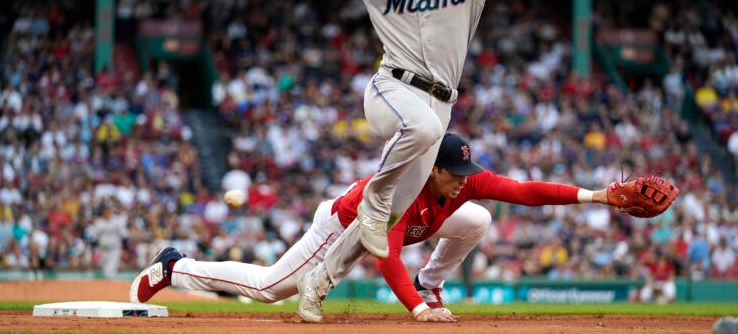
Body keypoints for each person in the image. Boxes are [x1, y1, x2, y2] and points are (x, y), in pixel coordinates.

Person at [285, 0, 539, 322]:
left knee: (385, 225)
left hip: (441, 103)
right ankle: (375, 198)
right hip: (391, 88)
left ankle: (318, 283)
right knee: (417, 132)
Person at [130, 133, 622, 323]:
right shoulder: (402, 189)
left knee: (480, 216)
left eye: (468, 175)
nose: (464, 183)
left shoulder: (463, 183)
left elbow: (525, 191)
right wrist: (413, 312)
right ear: (433, 170)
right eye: (456, 176)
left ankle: (433, 284)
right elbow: (385, 252)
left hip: (410, 228)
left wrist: (594, 196)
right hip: (344, 228)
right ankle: (175, 267)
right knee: (269, 289)